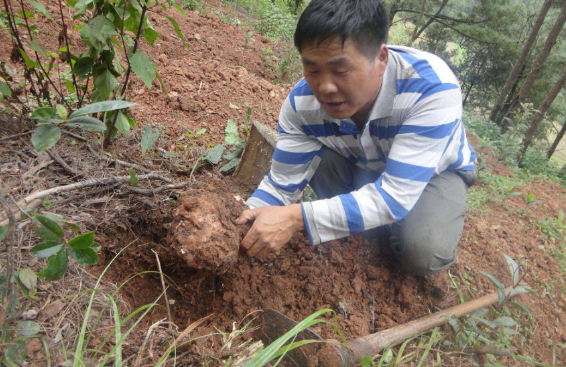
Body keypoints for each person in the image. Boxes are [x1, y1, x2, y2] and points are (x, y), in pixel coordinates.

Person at [235, 0, 476, 276]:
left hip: (433, 173)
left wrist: (296, 217)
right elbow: (281, 186)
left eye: (340, 71)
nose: (325, 87)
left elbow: (393, 196)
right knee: (318, 161)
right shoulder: (301, 105)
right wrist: (241, 221)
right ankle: (363, 227)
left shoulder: (431, 89)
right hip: (363, 162)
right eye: (313, 70)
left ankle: (412, 225)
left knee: (422, 249)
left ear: (381, 59)